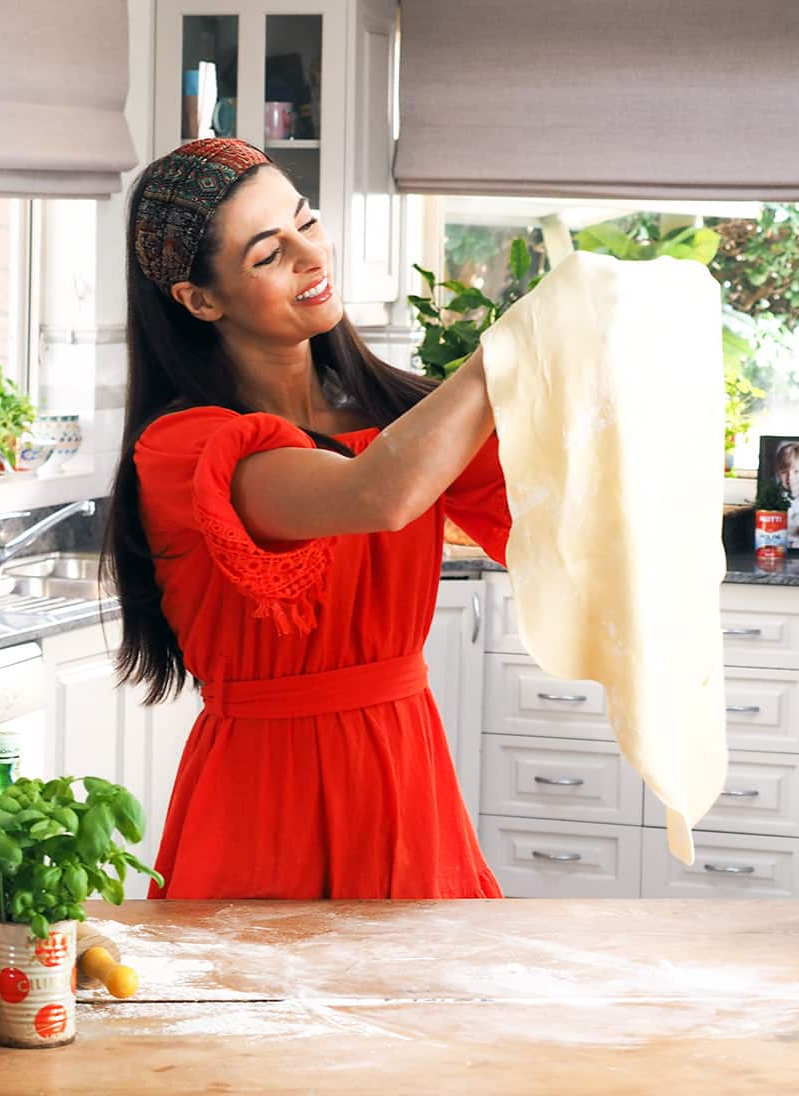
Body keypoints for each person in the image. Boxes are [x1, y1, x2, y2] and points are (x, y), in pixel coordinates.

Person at [101, 139, 509, 900]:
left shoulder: (397, 420)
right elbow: (373, 496)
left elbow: (561, 530)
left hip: (407, 772)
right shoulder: (186, 448)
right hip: (265, 797)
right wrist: (502, 357)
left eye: (307, 222)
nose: (309, 255)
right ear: (200, 299)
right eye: (267, 254)